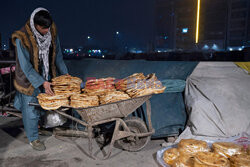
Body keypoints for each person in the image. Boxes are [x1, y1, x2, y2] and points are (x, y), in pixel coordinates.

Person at [12, 7, 68, 151]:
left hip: (46, 73)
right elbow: (26, 67)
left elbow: (58, 57)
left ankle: (41, 127)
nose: (46, 31)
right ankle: (33, 138)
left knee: (45, 104)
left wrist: (66, 76)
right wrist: (41, 82)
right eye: (43, 28)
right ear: (35, 25)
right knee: (31, 107)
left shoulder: (51, 31)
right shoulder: (22, 38)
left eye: (48, 28)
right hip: (28, 78)